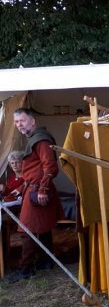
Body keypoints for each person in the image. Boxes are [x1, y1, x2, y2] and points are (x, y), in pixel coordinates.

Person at [9, 108, 64, 283]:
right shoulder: (34, 138)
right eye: (16, 122)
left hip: (39, 189)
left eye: (22, 121)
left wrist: (42, 190)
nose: (19, 125)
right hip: (33, 188)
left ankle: (25, 268)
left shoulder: (41, 139)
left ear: (33, 121)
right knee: (43, 228)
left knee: (26, 229)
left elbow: (50, 166)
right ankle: (46, 261)